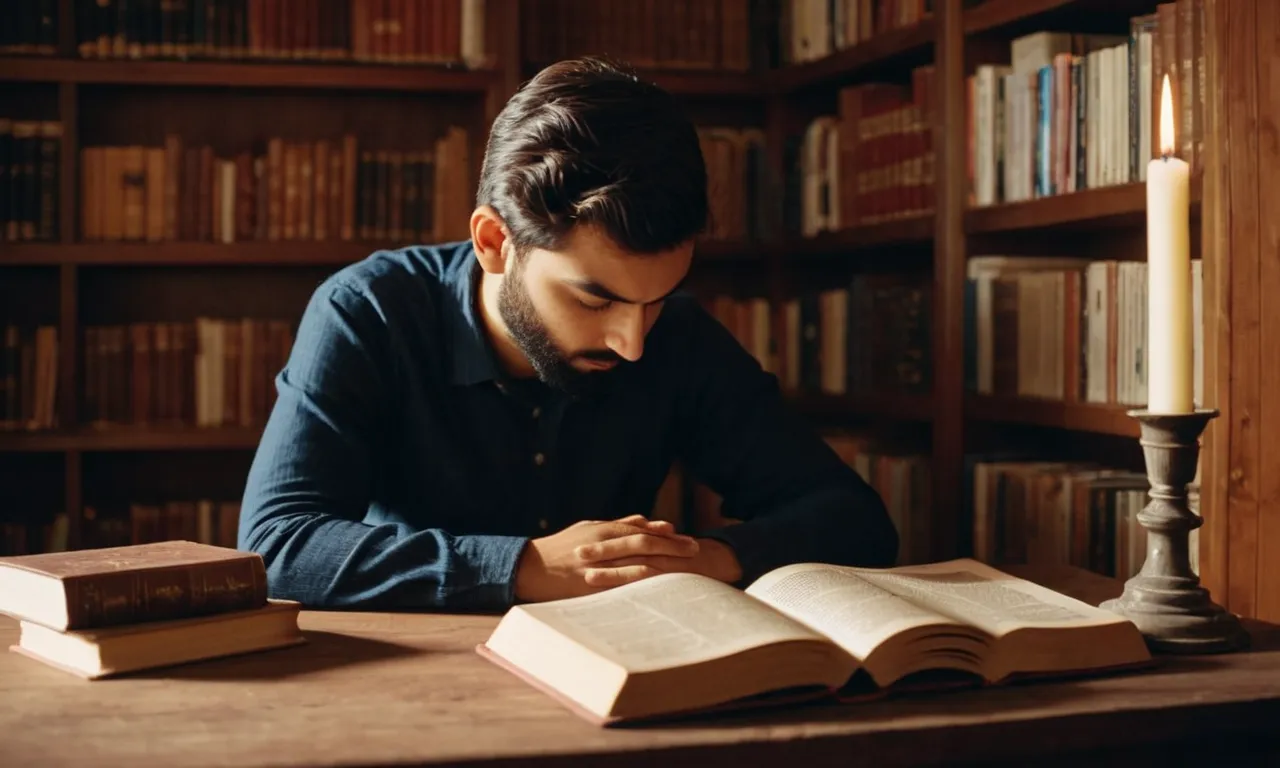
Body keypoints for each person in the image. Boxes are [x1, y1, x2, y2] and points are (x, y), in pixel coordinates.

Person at [238, 57, 897, 612]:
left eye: (657, 300)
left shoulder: (679, 336)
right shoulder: (369, 311)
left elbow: (854, 517)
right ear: (495, 242)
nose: (632, 341)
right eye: (593, 299)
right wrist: (523, 567)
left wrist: (708, 558)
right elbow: (279, 547)